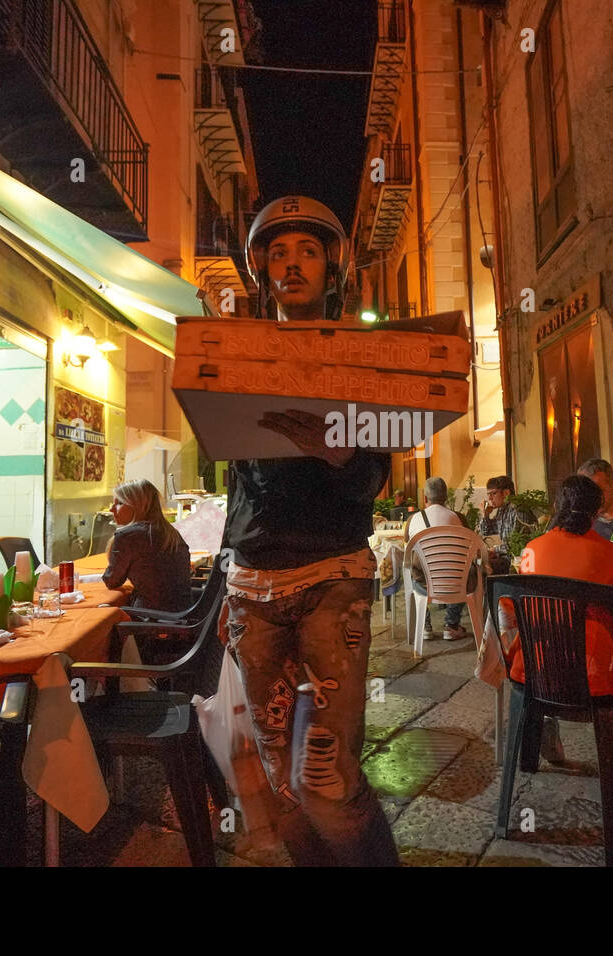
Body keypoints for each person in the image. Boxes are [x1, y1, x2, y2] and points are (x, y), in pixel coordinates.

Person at [222, 195, 399, 866]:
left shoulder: (360, 354)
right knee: (279, 782)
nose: (291, 263)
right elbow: (239, 479)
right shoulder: (236, 356)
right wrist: (224, 579)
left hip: (333, 579)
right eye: (277, 252)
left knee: (326, 780)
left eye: (308, 251)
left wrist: (340, 453)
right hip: (250, 585)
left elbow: (376, 476)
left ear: (332, 268)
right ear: (262, 270)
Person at [507, 476, 613, 786]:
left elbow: (514, 612)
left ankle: (543, 724)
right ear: (597, 511)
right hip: (598, 678)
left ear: (558, 506)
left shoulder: (532, 550)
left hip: (534, 671)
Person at [102, 478, 191, 611]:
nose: (111, 509)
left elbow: (112, 581)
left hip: (150, 616)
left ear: (138, 505)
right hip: (182, 612)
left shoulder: (127, 536)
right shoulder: (171, 532)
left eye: (119, 503)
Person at [404, 476, 470, 641]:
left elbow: (408, 545)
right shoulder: (459, 518)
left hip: (424, 585)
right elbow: (470, 546)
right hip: (456, 584)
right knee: (466, 571)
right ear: (446, 497)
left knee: (413, 569)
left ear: (425, 498)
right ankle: (452, 625)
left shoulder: (413, 520)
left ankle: (425, 626)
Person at [477, 474, 533, 574]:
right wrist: (485, 515)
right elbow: (486, 531)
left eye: (493, 493)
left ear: (506, 493)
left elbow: (516, 545)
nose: (489, 498)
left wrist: (494, 550)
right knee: (477, 562)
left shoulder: (518, 510)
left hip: (518, 559)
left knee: (481, 566)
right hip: (506, 558)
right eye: (488, 494)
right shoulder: (502, 510)